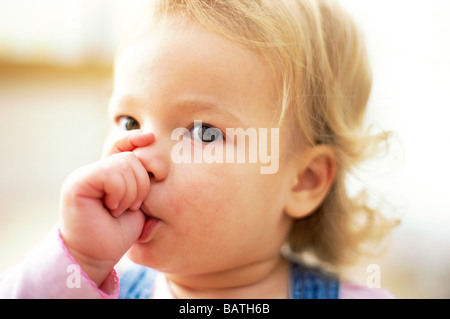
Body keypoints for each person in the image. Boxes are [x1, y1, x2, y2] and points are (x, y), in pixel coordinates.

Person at [0, 0, 398, 299]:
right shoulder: (88, 289)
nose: (142, 158)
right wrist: (78, 259)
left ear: (304, 181)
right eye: (129, 122)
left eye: (203, 133)